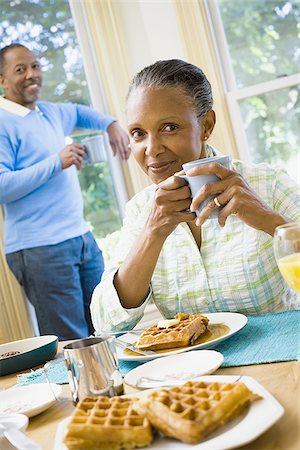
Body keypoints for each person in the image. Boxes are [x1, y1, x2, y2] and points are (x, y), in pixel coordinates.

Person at [90, 58, 300, 333]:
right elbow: (107, 325)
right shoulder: (141, 211)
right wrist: (153, 231)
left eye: (169, 127)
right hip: (193, 372)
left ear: (206, 126)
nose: (151, 149)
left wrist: (266, 218)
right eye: (138, 133)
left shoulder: (267, 184)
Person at [0, 43, 130, 340]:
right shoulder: (2, 122)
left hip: (81, 239)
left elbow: (80, 113)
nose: (32, 74)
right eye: (20, 69)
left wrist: (111, 125)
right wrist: (56, 162)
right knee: (73, 343)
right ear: (2, 81)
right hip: (40, 249)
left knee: (107, 328)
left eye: (35, 66)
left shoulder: (49, 112)